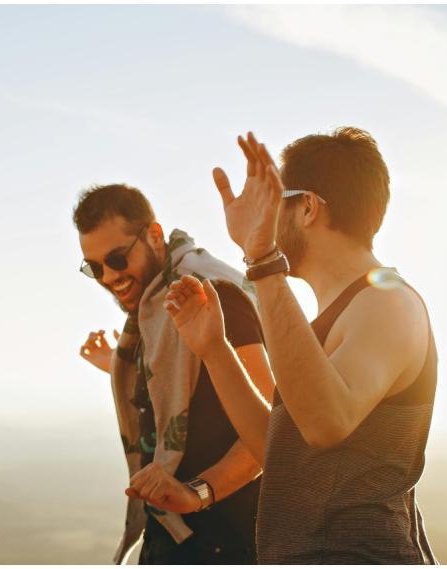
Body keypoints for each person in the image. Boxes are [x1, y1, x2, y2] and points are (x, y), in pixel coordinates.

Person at [148, 128, 438, 563]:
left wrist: (262, 259)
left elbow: (325, 423)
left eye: (274, 202)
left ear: (306, 207)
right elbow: (283, 452)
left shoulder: (387, 301)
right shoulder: (337, 315)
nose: (265, 217)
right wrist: (215, 350)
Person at [74, 184, 275, 564]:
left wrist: (198, 493)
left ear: (153, 235)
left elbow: (270, 427)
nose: (108, 277)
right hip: (171, 535)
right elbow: (184, 385)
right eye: (94, 267)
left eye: (117, 258)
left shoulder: (212, 294)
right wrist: (118, 366)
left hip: (226, 541)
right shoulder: (155, 305)